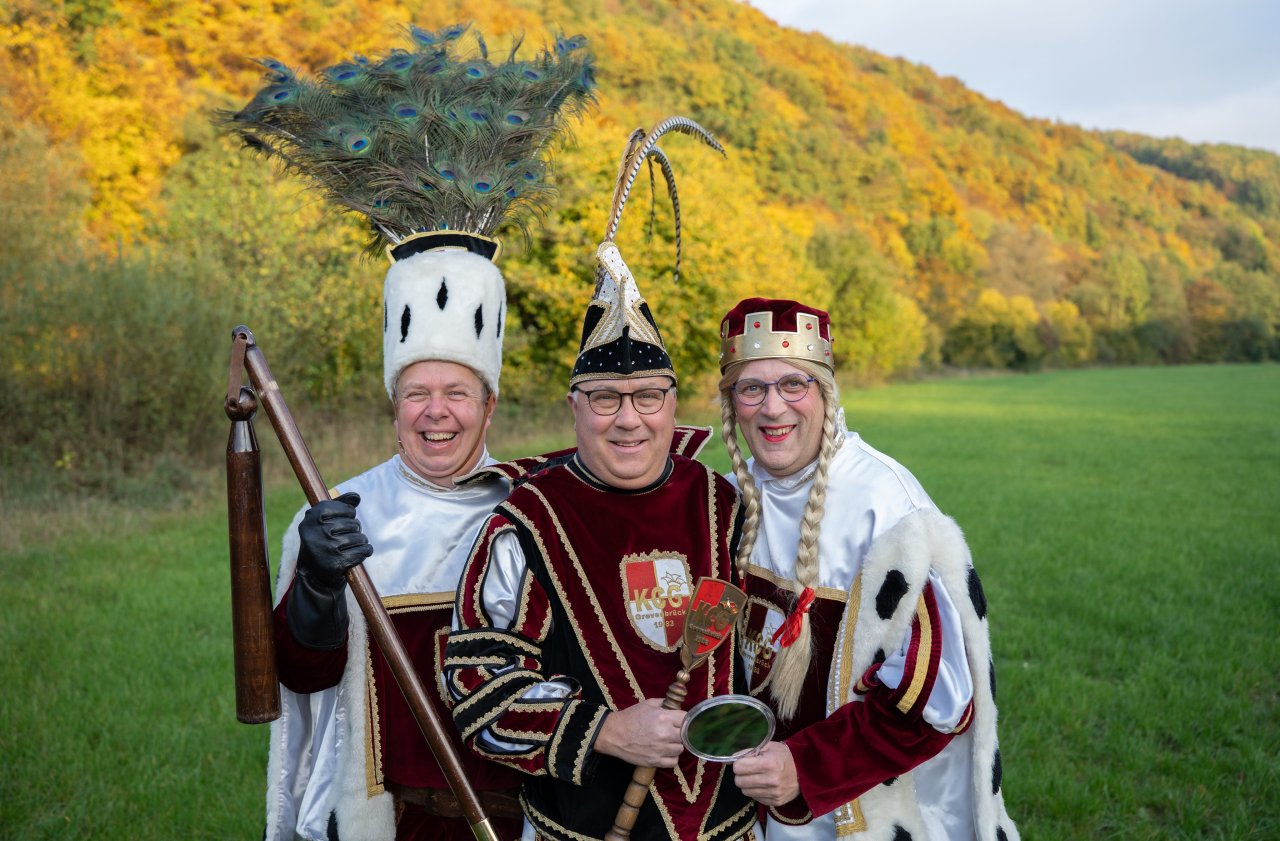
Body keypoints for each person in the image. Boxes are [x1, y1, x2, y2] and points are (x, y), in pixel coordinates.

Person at [225, 25, 600, 841]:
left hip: (522, 820)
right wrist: (321, 587)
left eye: (457, 392)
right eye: (417, 392)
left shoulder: (538, 512)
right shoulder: (339, 512)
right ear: (392, 403)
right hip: (386, 822)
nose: (436, 411)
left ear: (489, 405)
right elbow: (300, 674)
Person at [443, 121, 756, 841]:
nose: (629, 420)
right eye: (607, 399)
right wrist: (608, 730)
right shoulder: (527, 521)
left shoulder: (723, 504)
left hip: (728, 827)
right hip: (580, 827)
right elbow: (478, 687)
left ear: (674, 403)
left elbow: (769, 658)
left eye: (648, 396)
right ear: (575, 407)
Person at [716, 298, 1019, 840]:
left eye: (793, 385)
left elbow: (937, 701)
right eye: (751, 388)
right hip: (761, 805)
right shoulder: (738, 498)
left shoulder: (886, 506)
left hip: (862, 813)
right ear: (732, 403)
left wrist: (804, 768)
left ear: (826, 394)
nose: (772, 408)